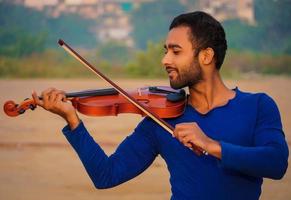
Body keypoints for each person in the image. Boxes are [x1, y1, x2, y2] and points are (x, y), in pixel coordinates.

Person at [32, 11, 288, 199]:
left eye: (176, 51)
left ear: (207, 56)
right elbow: (106, 175)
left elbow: (276, 163)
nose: (165, 59)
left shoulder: (258, 106)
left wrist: (211, 145)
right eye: (165, 50)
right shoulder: (159, 120)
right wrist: (73, 121)